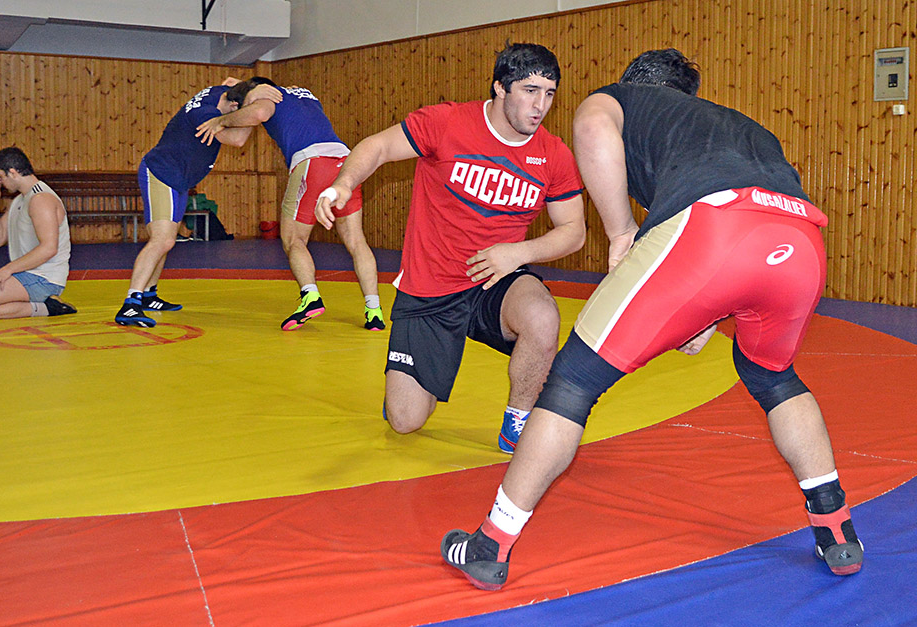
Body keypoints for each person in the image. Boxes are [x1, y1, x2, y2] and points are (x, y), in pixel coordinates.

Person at [440, 49, 863, 591]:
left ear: (637, 87)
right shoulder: (737, 126)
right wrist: (705, 309)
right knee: (772, 376)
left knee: (572, 382)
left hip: (711, 231)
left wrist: (620, 230)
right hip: (800, 243)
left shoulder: (623, 101)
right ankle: (835, 529)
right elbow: (752, 219)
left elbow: (593, 123)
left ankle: (489, 544)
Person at [316, 43, 586, 452]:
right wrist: (343, 183)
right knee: (406, 422)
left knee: (542, 317)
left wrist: (518, 253)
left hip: (496, 277)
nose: (540, 105)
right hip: (432, 286)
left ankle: (518, 421)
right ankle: (403, 394)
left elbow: (573, 231)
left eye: (549, 94)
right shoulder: (447, 123)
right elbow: (379, 147)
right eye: (530, 91)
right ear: (499, 87)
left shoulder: (553, 154)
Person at [195, 77, 385, 332]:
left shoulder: (268, 98)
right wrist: (244, 85)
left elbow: (259, 111)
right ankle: (374, 310)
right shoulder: (303, 94)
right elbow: (273, 95)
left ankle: (310, 297)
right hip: (344, 160)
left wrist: (220, 121)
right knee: (356, 241)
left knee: (294, 240)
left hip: (313, 162)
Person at [114, 78, 282, 327]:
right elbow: (237, 140)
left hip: (178, 178)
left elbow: (229, 83)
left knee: (165, 241)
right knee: (162, 240)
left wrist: (249, 91)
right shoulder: (205, 114)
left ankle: (149, 296)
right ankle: (130, 305)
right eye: (240, 112)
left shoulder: (220, 93)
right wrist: (255, 111)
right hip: (162, 173)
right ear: (235, 105)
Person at [0, 147, 75, 321]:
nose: (0, 182)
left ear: (12, 173)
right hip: (23, 272)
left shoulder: (41, 200)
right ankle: (38, 303)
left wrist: (7, 270)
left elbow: (49, 248)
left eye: (0, 176)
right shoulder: (20, 200)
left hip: (44, 277)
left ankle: (47, 308)